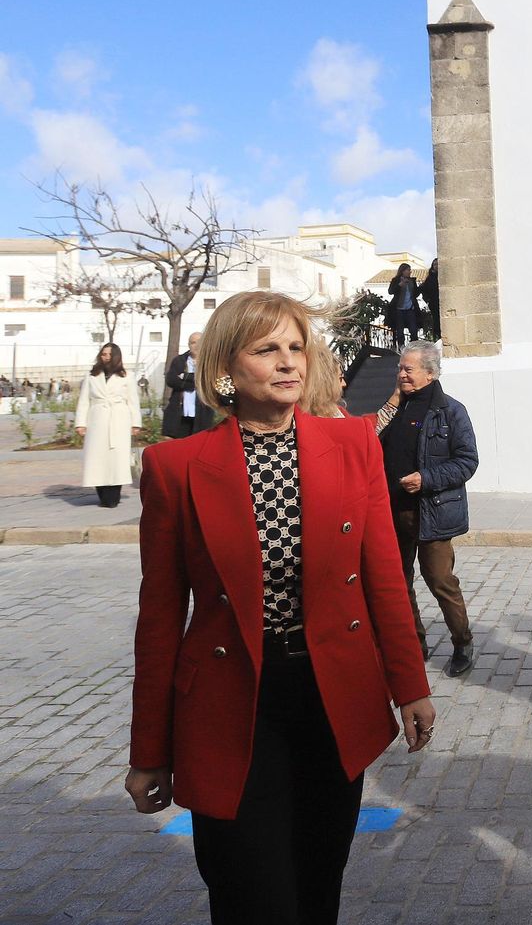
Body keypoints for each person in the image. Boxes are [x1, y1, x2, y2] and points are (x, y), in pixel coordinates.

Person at [125, 291, 435, 925]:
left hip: (330, 698)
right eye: (267, 349)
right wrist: (148, 748)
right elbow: (159, 617)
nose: (289, 362)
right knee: (249, 891)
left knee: (318, 882)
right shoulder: (175, 466)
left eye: (296, 347)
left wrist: (410, 685)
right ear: (225, 368)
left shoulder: (352, 445)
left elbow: (382, 581)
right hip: (229, 703)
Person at [375, 341, 480, 678]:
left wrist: (427, 478)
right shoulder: (394, 409)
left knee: (440, 580)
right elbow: (371, 441)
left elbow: (467, 462)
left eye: (408, 369)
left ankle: (462, 641)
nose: (401, 374)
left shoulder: (451, 411)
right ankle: (414, 643)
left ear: (431, 373)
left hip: (431, 510)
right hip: (393, 511)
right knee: (399, 582)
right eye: (400, 368)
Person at [75, 343, 142, 508]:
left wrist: (135, 423)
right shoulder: (92, 376)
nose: (105, 357)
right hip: (97, 420)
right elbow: (84, 401)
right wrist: (81, 423)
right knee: (97, 458)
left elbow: (133, 401)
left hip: (119, 419)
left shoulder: (127, 376)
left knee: (116, 458)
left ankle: (113, 494)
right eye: (103, 354)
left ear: (116, 356)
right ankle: (101, 492)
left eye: (109, 354)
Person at [162, 332, 216, 438]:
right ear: (189, 345)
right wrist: (194, 384)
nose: (196, 346)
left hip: (201, 413)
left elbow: (209, 381)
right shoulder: (179, 361)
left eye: (199, 342)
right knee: (181, 448)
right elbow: (171, 380)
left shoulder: (210, 362)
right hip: (181, 412)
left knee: (199, 446)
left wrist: (185, 376)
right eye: (193, 342)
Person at [385, 263, 422, 345]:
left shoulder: (412, 281)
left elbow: (415, 294)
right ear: (403, 271)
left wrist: (420, 288)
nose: (410, 271)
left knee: (413, 330)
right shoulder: (396, 280)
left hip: (410, 309)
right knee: (400, 331)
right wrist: (399, 285)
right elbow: (390, 291)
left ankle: (413, 348)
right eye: (408, 270)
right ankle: (401, 349)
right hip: (399, 309)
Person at [419, 258, 441, 340]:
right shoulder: (430, 278)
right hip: (434, 303)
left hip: (443, 302)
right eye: (435, 264)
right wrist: (428, 300)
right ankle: (437, 338)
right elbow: (424, 290)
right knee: (436, 321)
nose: (436, 266)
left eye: (438, 264)